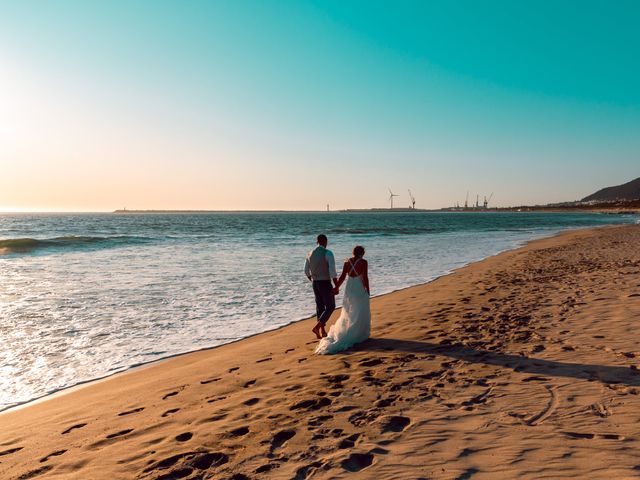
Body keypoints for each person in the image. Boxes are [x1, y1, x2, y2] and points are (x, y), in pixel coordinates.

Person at [315, 245, 371, 355]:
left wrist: (337, 287)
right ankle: (358, 333)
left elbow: (342, 277)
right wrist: (367, 289)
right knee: (359, 309)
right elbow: (365, 277)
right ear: (362, 253)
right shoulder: (364, 262)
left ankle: (349, 330)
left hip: (349, 287)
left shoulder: (347, 262)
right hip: (358, 287)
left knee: (349, 310)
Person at [304, 234, 339, 339]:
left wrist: (313, 279)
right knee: (330, 306)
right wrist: (336, 286)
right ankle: (317, 327)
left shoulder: (310, 253)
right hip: (325, 282)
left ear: (317, 242)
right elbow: (332, 272)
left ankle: (323, 331)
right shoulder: (328, 253)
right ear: (326, 241)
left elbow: (306, 271)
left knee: (320, 307)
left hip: (315, 283)